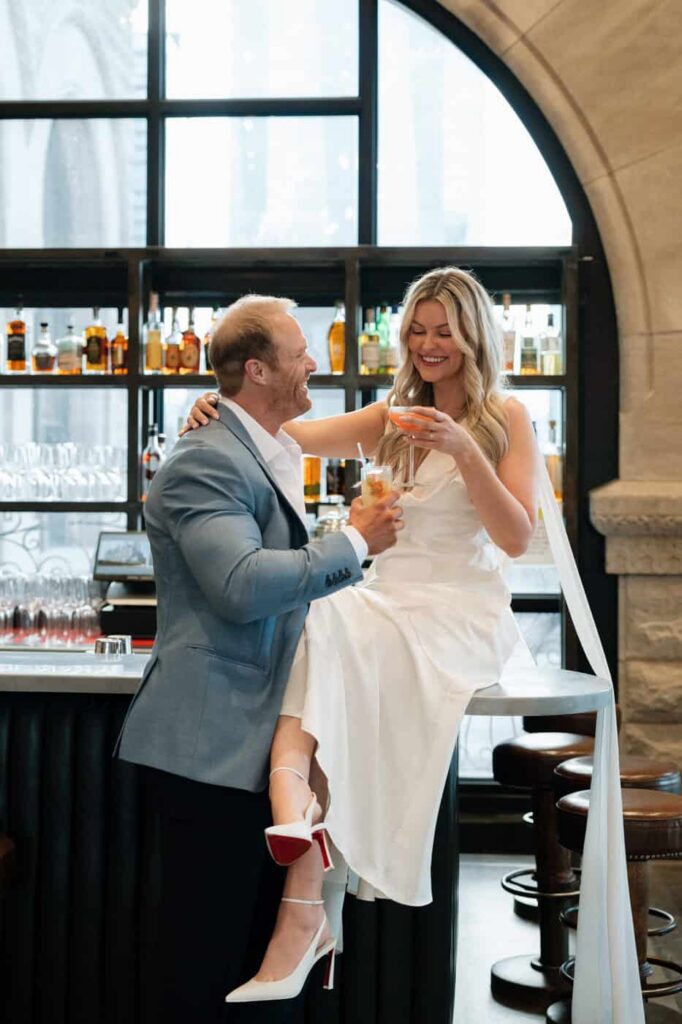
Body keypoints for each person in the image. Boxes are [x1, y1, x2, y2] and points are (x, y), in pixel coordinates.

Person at [183, 266, 539, 1002]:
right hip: (385, 599)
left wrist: (465, 450)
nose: (428, 344)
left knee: (337, 615)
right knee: (325, 610)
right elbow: (283, 428)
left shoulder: (506, 416)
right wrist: (213, 407)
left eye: (444, 330)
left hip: (458, 606)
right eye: (417, 329)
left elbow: (516, 538)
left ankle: (306, 880)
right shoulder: (391, 417)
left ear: (474, 336)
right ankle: (299, 832)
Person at [113, 294, 403, 1024]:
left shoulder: (257, 445)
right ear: (257, 370)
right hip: (208, 748)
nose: (315, 362)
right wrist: (357, 544)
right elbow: (242, 588)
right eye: (300, 352)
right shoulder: (204, 463)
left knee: (254, 965)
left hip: (253, 744)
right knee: (206, 964)